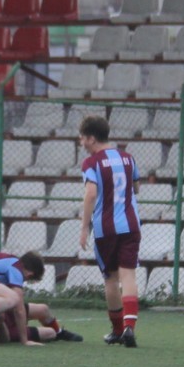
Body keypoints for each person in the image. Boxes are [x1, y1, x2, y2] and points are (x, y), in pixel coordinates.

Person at [78, 113, 143, 348]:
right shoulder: (128, 158)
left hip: (106, 229)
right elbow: (136, 188)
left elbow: (91, 194)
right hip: (131, 224)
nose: (81, 143)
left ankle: (117, 330)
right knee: (129, 275)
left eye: (82, 138)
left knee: (111, 279)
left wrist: (84, 228)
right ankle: (130, 327)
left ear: (92, 138)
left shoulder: (91, 163)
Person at [0, 251, 81, 346]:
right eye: (26, 280)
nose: (22, 282)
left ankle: (59, 332)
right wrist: (25, 340)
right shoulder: (15, 268)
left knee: (43, 310)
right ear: (29, 274)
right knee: (14, 299)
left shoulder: (7, 262)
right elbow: (18, 309)